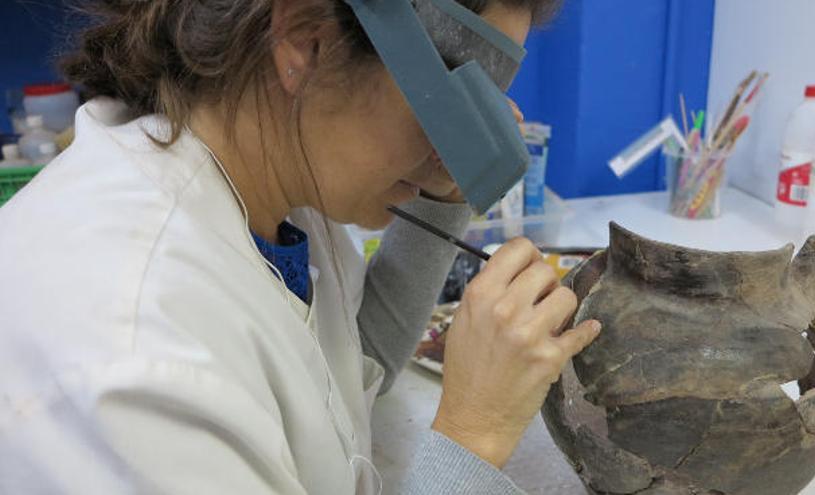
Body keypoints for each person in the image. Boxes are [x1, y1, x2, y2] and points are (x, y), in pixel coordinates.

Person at [0, 0, 601, 493]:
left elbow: (346, 371)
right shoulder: (139, 355)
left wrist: (440, 189)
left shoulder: (272, 197)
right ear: (306, 41)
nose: (464, 137)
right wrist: (476, 432)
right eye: (454, 106)